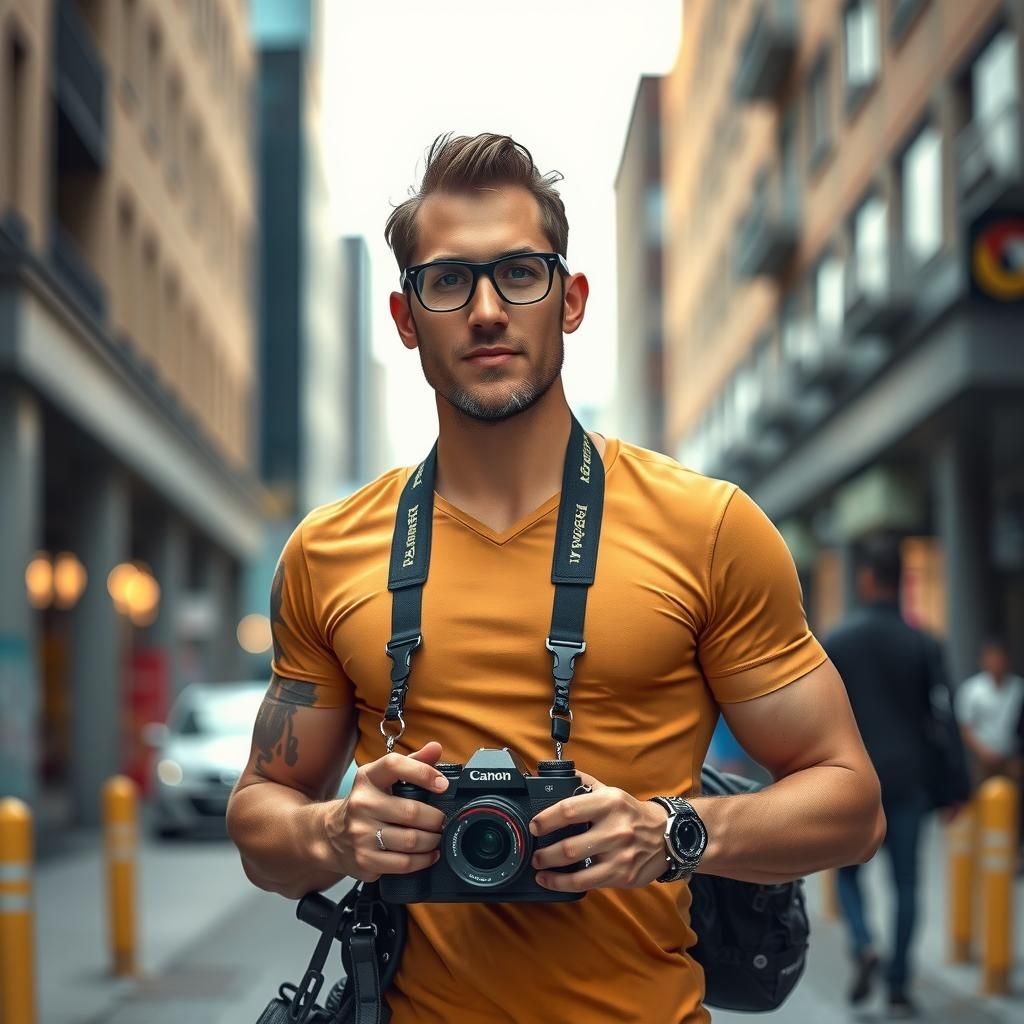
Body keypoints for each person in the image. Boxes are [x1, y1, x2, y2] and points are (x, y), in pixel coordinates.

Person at [227, 133, 885, 1024]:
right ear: (404, 318)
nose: (488, 310)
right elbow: (260, 820)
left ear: (570, 299)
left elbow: (853, 803)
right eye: (449, 281)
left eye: (521, 274)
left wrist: (672, 833)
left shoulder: (710, 527)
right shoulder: (326, 550)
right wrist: (334, 831)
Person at [824, 534, 966, 1020]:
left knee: (846, 873)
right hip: (909, 780)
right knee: (907, 884)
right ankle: (900, 984)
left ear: (866, 579)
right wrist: (955, 787)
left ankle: (864, 943)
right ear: (901, 580)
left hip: (853, 782)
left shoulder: (837, 642)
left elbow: (821, 717)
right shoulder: (924, 643)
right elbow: (943, 717)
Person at [956, 638, 1024, 787]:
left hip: (1011, 758)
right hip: (983, 759)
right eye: (991, 657)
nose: (996, 662)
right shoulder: (972, 690)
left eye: (999, 657)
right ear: (983, 660)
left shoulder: (1018, 688)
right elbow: (965, 727)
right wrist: (983, 752)